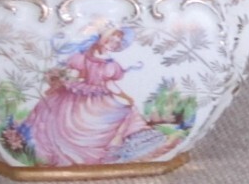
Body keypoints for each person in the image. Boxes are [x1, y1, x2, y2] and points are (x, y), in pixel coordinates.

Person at [22, 24, 162, 165]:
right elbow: (75, 74)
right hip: (80, 94)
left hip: (100, 95)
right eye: (112, 40)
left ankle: (121, 145)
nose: (114, 45)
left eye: (117, 43)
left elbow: (109, 84)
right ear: (103, 39)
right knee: (64, 120)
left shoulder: (110, 64)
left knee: (126, 109)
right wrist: (62, 81)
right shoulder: (83, 57)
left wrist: (125, 97)